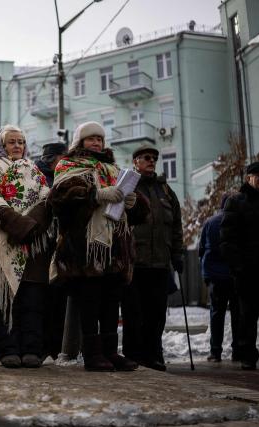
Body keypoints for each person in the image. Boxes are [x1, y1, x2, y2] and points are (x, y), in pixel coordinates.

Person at [49, 121, 148, 372]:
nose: (97, 143)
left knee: (111, 301)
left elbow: (139, 214)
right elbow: (58, 199)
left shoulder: (113, 169)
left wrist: (133, 203)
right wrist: (96, 194)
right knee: (90, 300)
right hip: (84, 247)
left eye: (100, 139)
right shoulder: (68, 165)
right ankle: (92, 354)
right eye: (91, 139)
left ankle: (111, 352)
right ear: (80, 142)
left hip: (114, 247)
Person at [0, 125, 51, 369]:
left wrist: (32, 227)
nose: (18, 146)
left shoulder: (36, 171)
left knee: (33, 302)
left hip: (34, 245)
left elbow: (46, 198)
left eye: (21, 141)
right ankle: (8, 350)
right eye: (12, 142)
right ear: (2, 146)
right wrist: (19, 225)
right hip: (4, 243)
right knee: (6, 301)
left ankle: (31, 350)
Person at [121, 143, 183, 372]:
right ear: (135, 161)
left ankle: (154, 355)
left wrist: (177, 254)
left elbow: (176, 226)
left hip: (159, 263)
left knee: (156, 314)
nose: (151, 161)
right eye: (146, 157)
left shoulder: (165, 191)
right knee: (133, 313)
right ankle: (133, 355)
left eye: (154, 158)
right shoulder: (127, 186)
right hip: (134, 263)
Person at [220, 161, 259, 370]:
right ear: (248, 178)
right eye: (258, 174)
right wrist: (237, 268)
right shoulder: (236, 202)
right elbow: (227, 239)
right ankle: (248, 357)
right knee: (248, 318)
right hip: (247, 273)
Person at [35, 142, 71, 360]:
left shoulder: (65, 176)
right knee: (44, 298)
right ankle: (43, 346)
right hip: (44, 244)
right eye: (62, 158)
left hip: (62, 244)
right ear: (53, 159)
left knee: (60, 299)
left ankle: (56, 347)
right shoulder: (39, 176)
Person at [199, 193, 241, 363]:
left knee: (217, 314)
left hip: (215, 276)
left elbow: (202, 249)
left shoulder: (210, 222)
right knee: (238, 314)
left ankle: (215, 352)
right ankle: (237, 350)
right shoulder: (240, 222)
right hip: (235, 274)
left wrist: (207, 275)